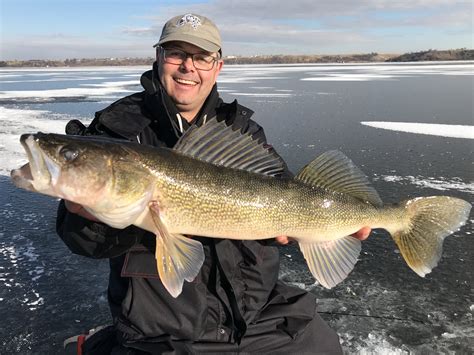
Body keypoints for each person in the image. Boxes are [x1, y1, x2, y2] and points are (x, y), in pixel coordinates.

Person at [58, 13, 371, 354]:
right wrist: (85, 215)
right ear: (159, 59)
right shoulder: (116, 132)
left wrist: (300, 230)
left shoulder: (239, 129)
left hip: (253, 311)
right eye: (176, 53)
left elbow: (284, 193)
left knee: (323, 345)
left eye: (202, 57)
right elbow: (81, 242)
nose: (187, 67)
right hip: (164, 325)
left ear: (217, 66)